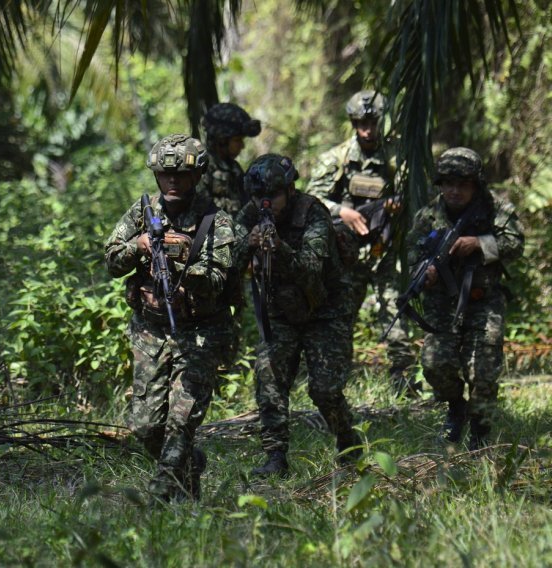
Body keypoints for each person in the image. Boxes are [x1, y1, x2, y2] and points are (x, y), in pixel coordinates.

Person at [104, 134, 235, 501]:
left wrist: (182, 262)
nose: (172, 181)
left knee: (181, 423)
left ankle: (160, 494)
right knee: (145, 428)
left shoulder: (216, 221)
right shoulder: (142, 212)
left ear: (197, 177)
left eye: (180, 175)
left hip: (200, 332)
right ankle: (190, 465)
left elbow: (218, 277)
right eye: (165, 174)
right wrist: (139, 246)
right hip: (150, 330)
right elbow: (111, 260)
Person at [234, 154, 360, 476]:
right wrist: (246, 246)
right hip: (281, 311)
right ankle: (275, 457)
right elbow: (225, 261)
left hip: (326, 310)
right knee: (270, 379)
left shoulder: (312, 213)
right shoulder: (250, 214)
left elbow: (310, 269)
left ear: (290, 189)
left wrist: (279, 248)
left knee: (325, 389)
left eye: (272, 197)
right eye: (258, 197)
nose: (265, 204)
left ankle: (348, 439)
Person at [406, 147, 524, 450]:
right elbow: (412, 254)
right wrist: (425, 270)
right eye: (448, 183)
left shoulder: (495, 209)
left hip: (483, 301)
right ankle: (457, 407)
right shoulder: (429, 215)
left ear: (476, 184)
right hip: (443, 304)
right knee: (434, 364)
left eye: (463, 184)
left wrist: (480, 244)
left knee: (483, 372)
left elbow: (516, 244)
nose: (454, 191)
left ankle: (480, 433)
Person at [306, 90, 417, 394]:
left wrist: (396, 207)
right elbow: (311, 199)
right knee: (341, 321)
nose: (367, 129)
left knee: (395, 317)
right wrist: (342, 211)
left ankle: (403, 382)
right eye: (360, 123)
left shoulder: (398, 159)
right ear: (353, 123)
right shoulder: (336, 159)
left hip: (385, 254)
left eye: (372, 122)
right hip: (347, 257)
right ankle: (336, 382)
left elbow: (417, 197)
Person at [200, 102, 262, 217]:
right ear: (222, 140)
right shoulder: (202, 168)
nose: (242, 146)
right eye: (238, 140)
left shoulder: (233, 168)